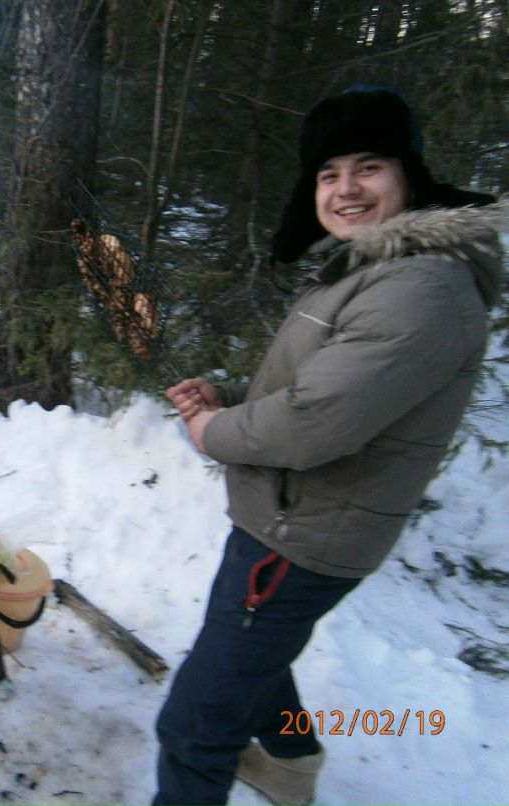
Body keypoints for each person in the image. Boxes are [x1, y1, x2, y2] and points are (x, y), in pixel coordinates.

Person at [153, 86, 505, 806]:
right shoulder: (374, 266)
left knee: (196, 722)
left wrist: (210, 431)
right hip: (282, 520)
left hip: (299, 536)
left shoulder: (421, 288)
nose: (345, 189)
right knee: (255, 656)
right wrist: (233, 398)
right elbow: (321, 385)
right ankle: (288, 761)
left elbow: (315, 423)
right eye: (327, 173)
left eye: (368, 167)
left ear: (408, 176)